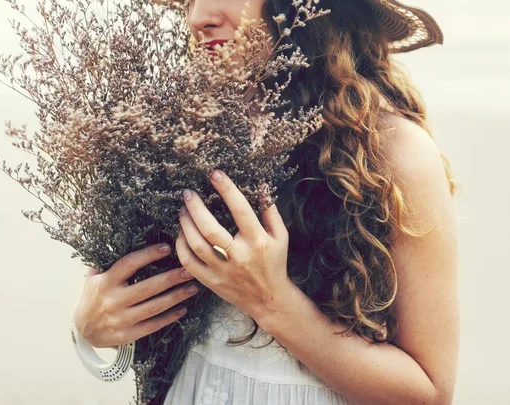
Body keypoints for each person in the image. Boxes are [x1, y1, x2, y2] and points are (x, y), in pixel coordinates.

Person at [72, 0, 460, 404]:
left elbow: (430, 394)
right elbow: (128, 322)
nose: (198, 17)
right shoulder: (174, 134)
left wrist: (272, 303)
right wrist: (90, 328)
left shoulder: (393, 153)